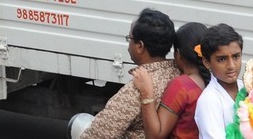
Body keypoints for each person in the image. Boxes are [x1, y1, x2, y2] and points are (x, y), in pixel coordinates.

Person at [76, 9, 178, 139]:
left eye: (129, 38)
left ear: (140, 46)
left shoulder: (135, 90)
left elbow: (97, 134)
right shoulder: (177, 73)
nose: (128, 44)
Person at [133, 21, 209, 139]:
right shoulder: (211, 81)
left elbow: (155, 136)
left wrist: (146, 93)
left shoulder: (181, 86)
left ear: (178, 54)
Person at [194, 24, 245, 139]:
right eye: (222, 59)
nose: (231, 66)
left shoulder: (247, 89)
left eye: (236, 56)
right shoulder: (209, 101)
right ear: (207, 62)